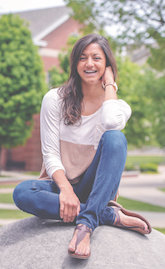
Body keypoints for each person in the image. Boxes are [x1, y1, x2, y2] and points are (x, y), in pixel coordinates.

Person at [13, 34, 151, 260]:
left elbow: (109, 124)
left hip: (94, 189)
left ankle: (86, 225)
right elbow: (50, 153)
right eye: (83, 58)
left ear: (107, 65)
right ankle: (106, 215)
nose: (89, 63)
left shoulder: (119, 107)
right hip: (59, 188)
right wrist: (66, 190)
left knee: (116, 138)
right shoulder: (54, 99)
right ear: (75, 63)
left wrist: (109, 84)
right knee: (22, 193)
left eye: (97, 58)